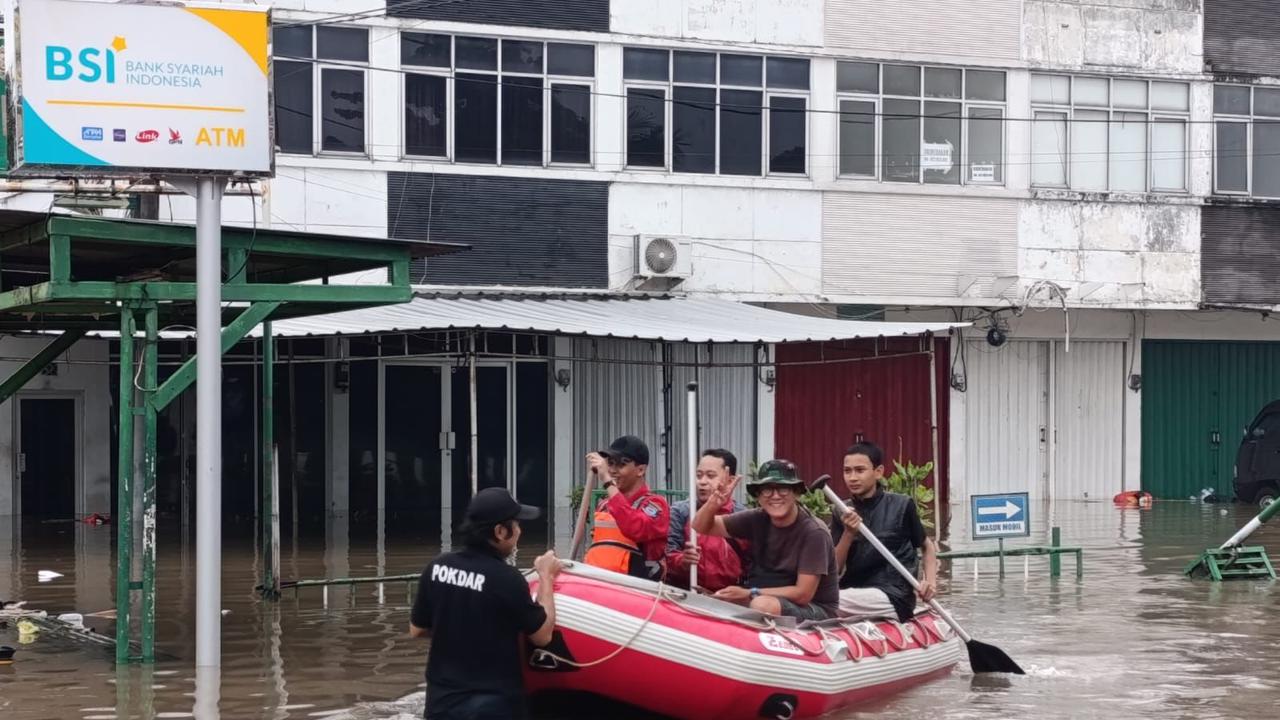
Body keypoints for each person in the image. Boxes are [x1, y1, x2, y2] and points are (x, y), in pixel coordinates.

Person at [410, 487, 562, 720]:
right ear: (500, 531)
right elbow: (542, 635)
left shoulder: (437, 568)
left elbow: (417, 629)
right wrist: (546, 576)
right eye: (517, 524)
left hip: (441, 706)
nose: (520, 531)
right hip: (495, 708)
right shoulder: (506, 578)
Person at [691, 459, 839, 621]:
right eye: (767, 490)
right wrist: (715, 502)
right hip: (760, 595)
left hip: (813, 609)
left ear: (796, 493)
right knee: (706, 603)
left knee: (762, 605)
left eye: (783, 489)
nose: (775, 496)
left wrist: (749, 593)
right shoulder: (757, 517)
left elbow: (802, 594)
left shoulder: (813, 532)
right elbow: (700, 526)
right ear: (758, 496)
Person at [831, 442, 938, 622]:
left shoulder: (902, 505)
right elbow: (835, 568)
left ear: (878, 471)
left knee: (826, 602)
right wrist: (848, 534)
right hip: (852, 590)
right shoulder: (840, 510)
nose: (852, 477)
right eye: (847, 471)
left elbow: (927, 546)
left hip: (893, 593)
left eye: (860, 470)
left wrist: (931, 582)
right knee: (817, 596)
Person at [583, 435, 670, 580]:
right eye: (610, 464)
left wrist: (608, 483)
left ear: (640, 470)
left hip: (638, 587)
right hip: (600, 582)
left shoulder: (656, 505)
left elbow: (635, 528)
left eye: (621, 465)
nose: (612, 470)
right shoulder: (604, 504)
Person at [666, 449, 748, 592]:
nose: (702, 482)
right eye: (699, 475)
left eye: (710, 476)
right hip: (687, 593)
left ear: (730, 480)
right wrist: (682, 561)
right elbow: (668, 553)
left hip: (730, 597)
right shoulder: (681, 511)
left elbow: (754, 565)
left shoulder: (743, 517)